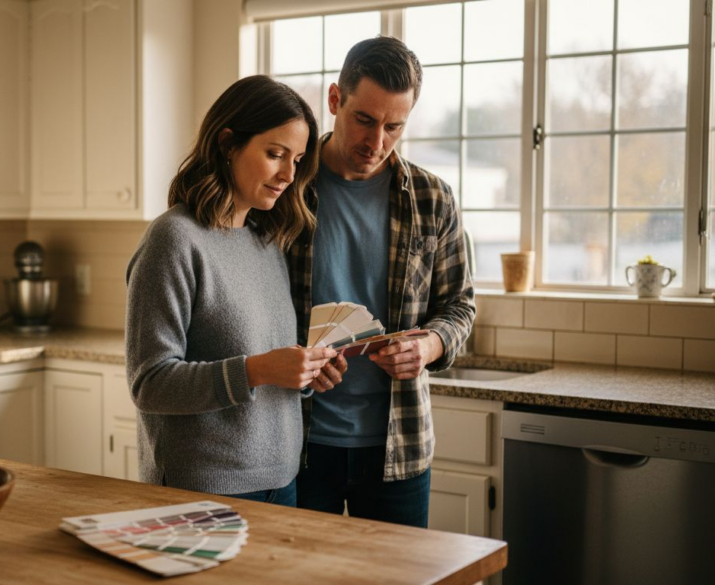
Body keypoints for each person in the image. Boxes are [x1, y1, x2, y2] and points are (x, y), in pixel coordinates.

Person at [125, 75, 344, 507]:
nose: (288, 174)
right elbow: (149, 383)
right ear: (228, 143)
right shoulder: (174, 239)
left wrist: (302, 373)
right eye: (275, 154)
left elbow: (262, 360)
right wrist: (257, 370)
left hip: (283, 480)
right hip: (202, 486)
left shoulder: (266, 240)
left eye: (297, 160)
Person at [291, 37, 476, 527]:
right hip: (299, 443)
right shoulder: (286, 189)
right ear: (335, 101)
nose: (377, 143)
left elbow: (460, 304)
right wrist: (294, 356)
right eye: (365, 121)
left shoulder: (433, 198)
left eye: (395, 126)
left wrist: (431, 346)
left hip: (399, 447)